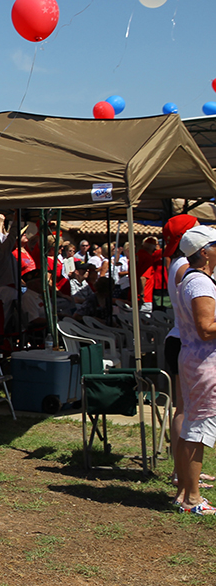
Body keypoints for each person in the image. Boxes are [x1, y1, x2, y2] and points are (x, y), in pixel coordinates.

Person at [160, 215, 207, 504]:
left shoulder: (179, 264)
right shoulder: (186, 268)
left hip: (181, 339)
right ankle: (182, 475)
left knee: (187, 411)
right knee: (185, 412)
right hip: (183, 340)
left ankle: (186, 475)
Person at [171, 225, 216, 515]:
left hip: (195, 359)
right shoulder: (199, 282)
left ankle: (187, 493)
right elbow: (206, 328)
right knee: (197, 429)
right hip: (203, 363)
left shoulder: (194, 279)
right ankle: (191, 498)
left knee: (192, 427)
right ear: (204, 251)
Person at [134, 236, 161, 314]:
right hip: (145, 296)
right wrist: (142, 295)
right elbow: (143, 277)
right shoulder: (147, 258)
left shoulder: (136, 255)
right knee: (145, 319)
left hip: (134, 293)